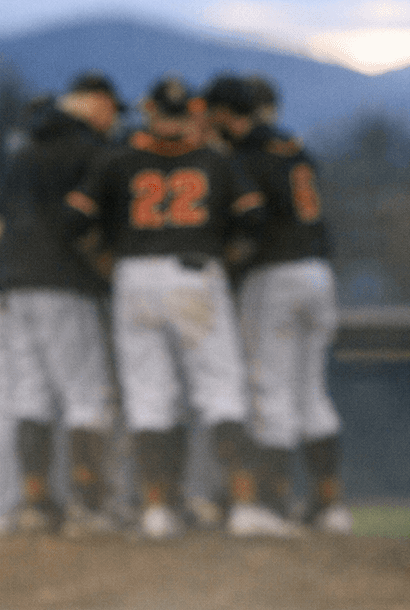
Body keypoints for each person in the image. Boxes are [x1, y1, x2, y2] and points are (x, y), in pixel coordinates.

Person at [66, 74, 300, 539]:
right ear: (191, 111)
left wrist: (106, 263)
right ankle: (244, 505)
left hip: (134, 277)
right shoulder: (212, 158)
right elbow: (253, 218)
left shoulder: (120, 157)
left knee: (149, 399)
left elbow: (75, 220)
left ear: (149, 110)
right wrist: (228, 264)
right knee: (221, 392)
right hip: (196, 273)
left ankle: (157, 510)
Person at [203, 74, 350, 532]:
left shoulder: (244, 154)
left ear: (226, 113)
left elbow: (251, 221)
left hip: (273, 275)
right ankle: (330, 508)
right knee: (312, 393)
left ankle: (270, 505)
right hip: (318, 272)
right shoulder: (293, 145)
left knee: (270, 391)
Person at [0, 73, 123, 536]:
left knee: (30, 395)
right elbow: (87, 223)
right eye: (112, 108)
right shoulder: (86, 147)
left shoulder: (20, 145)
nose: (114, 119)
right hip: (62, 282)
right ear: (95, 103)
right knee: (85, 395)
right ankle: (87, 506)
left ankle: (35, 504)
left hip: (9, 282)